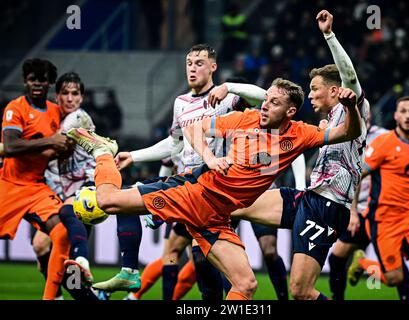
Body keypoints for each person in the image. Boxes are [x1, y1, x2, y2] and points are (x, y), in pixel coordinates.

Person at [67, 73, 361, 300]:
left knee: (245, 285)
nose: (265, 105)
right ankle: (102, 151)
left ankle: (130, 272)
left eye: (274, 102)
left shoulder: (301, 134)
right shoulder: (245, 118)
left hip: (217, 217)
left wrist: (351, 107)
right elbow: (193, 128)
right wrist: (210, 157)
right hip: (191, 193)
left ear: (291, 112)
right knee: (106, 201)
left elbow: (350, 131)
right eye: (266, 98)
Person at [93, 44, 265, 300]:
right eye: (189, 63)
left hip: (215, 187)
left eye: (199, 63)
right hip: (188, 187)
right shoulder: (180, 103)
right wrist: (135, 155)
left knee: (200, 257)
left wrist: (230, 86)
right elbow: (175, 143)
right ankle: (132, 270)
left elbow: (265, 98)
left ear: (213, 67)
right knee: (198, 258)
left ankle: (130, 269)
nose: (193, 68)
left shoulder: (228, 100)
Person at [228, 9, 369, 300]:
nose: (311, 93)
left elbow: (350, 76)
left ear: (334, 90)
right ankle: (229, 282)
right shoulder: (329, 122)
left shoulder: (352, 108)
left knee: (302, 292)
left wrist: (328, 34)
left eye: (315, 89)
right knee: (231, 204)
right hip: (309, 197)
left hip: (328, 208)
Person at [346, 96, 409, 300]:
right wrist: (353, 211)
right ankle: (363, 263)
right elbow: (357, 176)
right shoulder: (384, 143)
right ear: (396, 116)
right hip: (383, 219)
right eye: (403, 111)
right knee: (394, 278)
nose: (408, 116)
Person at [0, 58, 72, 300]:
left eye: (42, 79)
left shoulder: (55, 112)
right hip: (8, 185)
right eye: (32, 79)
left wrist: (66, 147)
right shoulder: (15, 107)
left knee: (62, 231)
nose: (37, 84)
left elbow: (62, 146)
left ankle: (53, 295)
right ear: (25, 82)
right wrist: (51, 141)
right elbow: (10, 146)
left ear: (49, 82)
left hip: (36, 187)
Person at [32, 71, 108, 300]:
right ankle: (86, 294)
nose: (70, 98)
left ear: (82, 98)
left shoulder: (78, 118)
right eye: (65, 93)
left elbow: (52, 146)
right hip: (61, 193)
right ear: (57, 96)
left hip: (85, 189)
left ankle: (82, 259)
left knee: (69, 268)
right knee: (41, 249)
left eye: (75, 94)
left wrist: (14, 150)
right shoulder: (53, 119)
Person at [327, 111, 409, 300]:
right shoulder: (343, 135)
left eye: (364, 113)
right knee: (336, 257)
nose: (362, 117)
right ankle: (337, 296)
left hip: (381, 210)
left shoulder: (384, 137)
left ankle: (403, 295)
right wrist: (351, 210)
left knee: (396, 263)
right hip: (357, 209)